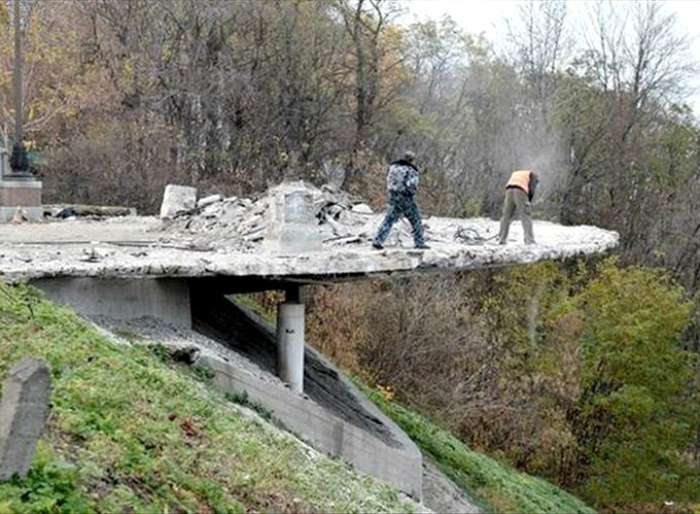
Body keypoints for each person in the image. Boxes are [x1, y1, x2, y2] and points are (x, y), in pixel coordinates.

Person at [372, 151, 429, 250]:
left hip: (393, 196)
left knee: (388, 220)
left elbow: (389, 182)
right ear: (412, 160)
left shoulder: (393, 168)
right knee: (416, 220)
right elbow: (412, 185)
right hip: (406, 198)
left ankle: (378, 240)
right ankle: (419, 242)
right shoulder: (411, 170)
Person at [498, 169, 539, 245]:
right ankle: (529, 240)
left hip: (509, 190)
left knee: (506, 216)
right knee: (525, 215)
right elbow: (532, 189)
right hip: (520, 190)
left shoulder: (517, 173)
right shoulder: (533, 176)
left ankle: (501, 238)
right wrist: (529, 200)